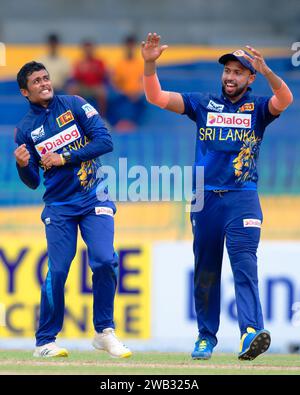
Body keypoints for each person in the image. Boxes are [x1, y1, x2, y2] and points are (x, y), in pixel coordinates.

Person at [141, 33, 293, 360]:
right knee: (206, 268)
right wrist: (150, 63)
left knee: (244, 263)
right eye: (227, 70)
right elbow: (155, 97)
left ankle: (251, 331)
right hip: (202, 195)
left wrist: (268, 72)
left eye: (239, 71)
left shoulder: (259, 108)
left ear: (250, 78)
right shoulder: (202, 103)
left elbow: (286, 99)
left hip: (243, 195)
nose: (230, 76)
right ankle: (205, 337)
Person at [14, 61, 132, 359]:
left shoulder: (76, 104)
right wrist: (22, 165)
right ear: (25, 91)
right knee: (59, 269)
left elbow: (105, 141)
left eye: (46, 78)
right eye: (37, 81)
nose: (44, 83)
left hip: (95, 198)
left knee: (105, 260)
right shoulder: (26, 130)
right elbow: (31, 182)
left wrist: (64, 157)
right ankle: (45, 341)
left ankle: (104, 332)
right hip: (60, 207)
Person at [109, 34, 145, 131]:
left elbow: (145, 82)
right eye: (128, 46)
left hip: (137, 94)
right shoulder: (119, 64)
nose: (130, 48)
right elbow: (115, 82)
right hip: (123, 93)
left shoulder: (141, 63)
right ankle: (116, 124)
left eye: (132, 46)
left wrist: (138, 92)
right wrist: (123, 92)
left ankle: (134, 124)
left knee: (144, 102)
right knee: (111, 101)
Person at [68, 40, 108, 117]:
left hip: (95, 86)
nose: (88, 51)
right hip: (83, 86)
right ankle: (73, 115)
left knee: (102, 92)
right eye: (86, 49)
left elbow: (102, 75)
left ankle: (102, 116)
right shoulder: (79, 62)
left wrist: (93, 70)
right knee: (72, 90)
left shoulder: (99, 62)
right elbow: (76, 77)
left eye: (90, 49)